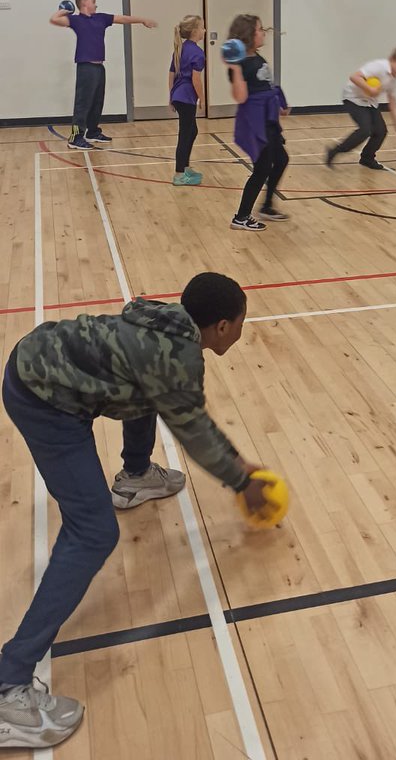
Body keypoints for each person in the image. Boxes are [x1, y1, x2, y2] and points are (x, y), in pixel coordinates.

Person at [0, 273, 266, 750]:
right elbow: (195, 431)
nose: (243, 331)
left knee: (147, 395)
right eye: (243, 323)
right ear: (222, 327)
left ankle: (137, 474)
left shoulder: (167, 325)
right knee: (93, 533)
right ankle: (6, 685)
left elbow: (166, 399)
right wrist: (242, 480)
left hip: (37, 358)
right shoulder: (177, 357)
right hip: (44, 400)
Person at [50, 0, 157, 151]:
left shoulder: (101, 18)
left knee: (97, 101)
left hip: (99, 67)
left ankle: (92, 132)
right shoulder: (76, 20)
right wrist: (65, 9)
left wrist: (142, 20)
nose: (96, 4)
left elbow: (122, 19)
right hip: (86, 67)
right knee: (83, 103)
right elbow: (54, 19)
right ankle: (76, 138)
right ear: (85, 3)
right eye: (93, 1)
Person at [226, 14, 290, 231]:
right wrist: (234, 69)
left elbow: (266, 87)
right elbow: (241, 97)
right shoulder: (241, 64)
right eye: (260, 29)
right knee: (262, 169)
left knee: (280, 160)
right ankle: (241, 217)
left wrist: (279, 104)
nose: (264, 33)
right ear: (248, 35)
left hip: (268, 121)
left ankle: (266, 206)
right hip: (256, 124)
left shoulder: (258, 58)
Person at [325, 47, 396, 170]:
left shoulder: (394, 78)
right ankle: (334, 151)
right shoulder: (378, 66)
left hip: (370, 101)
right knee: (365, 130)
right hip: (353, 98)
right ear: (392, 60)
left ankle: (367, 158)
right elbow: (354, 77)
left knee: (380, 131)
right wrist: (370, 89)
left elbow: (392, 101)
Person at [169, 14, 205, 186]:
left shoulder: (180, 48)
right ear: (195, 31)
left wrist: (171, 96)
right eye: (202, 27)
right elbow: (196, 80)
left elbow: (171, 73)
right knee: (185, 134)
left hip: (178, 95)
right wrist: (202, 99)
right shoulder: (197, 53)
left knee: (192, 131)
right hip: (186, 98)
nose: (204, 30)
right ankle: (179, 173)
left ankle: (186, 166)